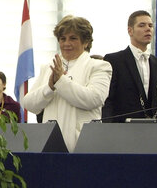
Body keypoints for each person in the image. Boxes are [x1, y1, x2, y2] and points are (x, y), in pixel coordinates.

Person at [21, 15, 112, 151]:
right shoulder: (48, 68)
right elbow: (29, 104)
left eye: (73, 38)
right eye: (62, 39)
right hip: (49, 145)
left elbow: (94, 99)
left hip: (84, 145)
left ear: (86, 42)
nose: (66, 43)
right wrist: (49, 88)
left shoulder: (99, 66)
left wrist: (61, 82)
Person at [103, 11, 157, 123]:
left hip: (151, 133)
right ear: (130, 30)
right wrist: (107, 130)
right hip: (122, 132)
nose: (148, 29)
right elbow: (108, 100)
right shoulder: (114, 60)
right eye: (142, 25)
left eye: (150, 25)